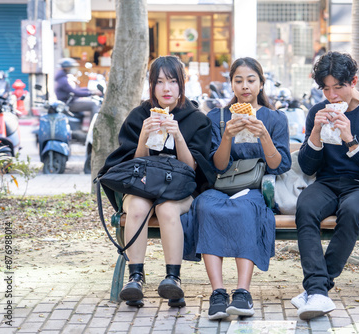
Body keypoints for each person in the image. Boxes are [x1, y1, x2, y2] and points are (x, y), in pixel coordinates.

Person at [99, 56, 216, 308]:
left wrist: (178, 136)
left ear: (182, 85)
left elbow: (194, 168)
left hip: (180, 188)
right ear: (151, 85)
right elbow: (132, 165)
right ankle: (135, 279)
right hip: (142, 184)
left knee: (167, 208)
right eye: (159, 81)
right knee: (139, 208)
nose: (166, 88)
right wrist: (143, 135)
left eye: (173, 81)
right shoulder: (139, 115)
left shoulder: (196, 118)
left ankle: (173, 279)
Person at [181, 57, 291, 320]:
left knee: (246, 208)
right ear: (231, 84)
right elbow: (217, 166)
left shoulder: (275, 118)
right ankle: (218, 293)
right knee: (205, 205)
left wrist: (263, 135)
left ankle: (242, 293)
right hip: (221, 186)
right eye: (238, 80)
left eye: (251, 80)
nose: (245, 86)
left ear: (261, 83)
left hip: (255, 187)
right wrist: (227, 136)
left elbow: (279, 165)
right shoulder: (217, 117)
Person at [292, 51, 359, 320]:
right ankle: (317, 291)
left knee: (350, 210)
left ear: (354, 82)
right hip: (327, 182)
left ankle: (316, 289)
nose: (332, 96)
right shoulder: (317, 111)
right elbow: (308, 168)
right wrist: (314, 135)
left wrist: (351, 140)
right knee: (305, 206)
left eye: (338, 87)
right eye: (326, 89)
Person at [54, 57, 102, 123]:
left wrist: (90, 90)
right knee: (94, 104)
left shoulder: (63, 78)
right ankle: (93, 128)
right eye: (71, 67)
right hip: (68, 104)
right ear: (67, 68)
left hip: (70, 101)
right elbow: (75, 92)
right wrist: (91, 93)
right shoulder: (63, 80)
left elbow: (76, 90)